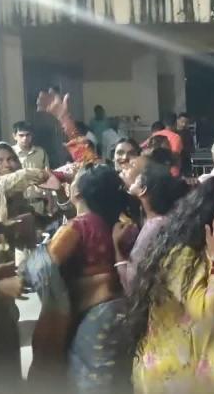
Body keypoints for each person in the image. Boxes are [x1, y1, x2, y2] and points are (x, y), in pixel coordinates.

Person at [127, 175, 214, 394]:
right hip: (177, 373)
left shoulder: (186, 245)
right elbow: (206, 314)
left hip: (176, 364)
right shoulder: (185, 255)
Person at [25, 164, 133, 392]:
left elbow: (44, 267)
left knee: (90, 381)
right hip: (119, 307)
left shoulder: (78, 226)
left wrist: (27, 263)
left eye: (74, 178)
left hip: (93, 313)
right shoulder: (116, 223)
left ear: (77, 192)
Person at [0, 142, 49, 390]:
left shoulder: (13, 198)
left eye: (11, 158)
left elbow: (32, 231)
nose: (7, 165)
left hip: (3, 305)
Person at [115, 160, 189, 294]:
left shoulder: (154, 226)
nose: (125, 168)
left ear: (143, 190)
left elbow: (131, 282)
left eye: (137, 178)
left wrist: (118, 251)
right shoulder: (163, 221)